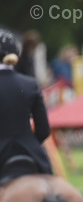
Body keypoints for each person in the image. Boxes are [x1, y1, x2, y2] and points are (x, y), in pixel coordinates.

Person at [0, 28, 53, 181]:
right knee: (52, 188)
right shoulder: (30, 84)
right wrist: (29, 144)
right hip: (30, 151)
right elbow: (43, 131)